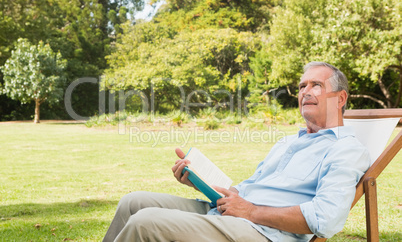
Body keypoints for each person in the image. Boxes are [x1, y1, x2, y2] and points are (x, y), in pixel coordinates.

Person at [103, 62, 370, 242]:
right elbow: (246, 191)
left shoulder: (345, 150)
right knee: (133, 202)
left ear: (341, 99)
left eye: (316, 86)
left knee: (146, 221)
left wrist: (251, 212)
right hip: (231, 213)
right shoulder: (288, 142)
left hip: (263, 232)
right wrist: (200, 182)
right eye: (302, 86)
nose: (305, 92)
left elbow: (326, 218)